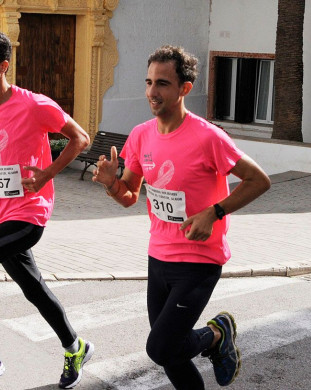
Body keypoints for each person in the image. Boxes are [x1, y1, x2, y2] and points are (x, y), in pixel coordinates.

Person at [93, 45, 271, 389]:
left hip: (199, 260)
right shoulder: (141, 135)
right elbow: (130, 196)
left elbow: (258, 180)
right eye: (148, 82)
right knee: (172, 354)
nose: (151, 92)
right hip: (158, 257)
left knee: (159, 347)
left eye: (162, 83)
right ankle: (214, 341)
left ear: (184, 89)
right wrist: (111, 183)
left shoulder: (208, 137)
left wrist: (214, 211)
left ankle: (216, 334)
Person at [0, 29, 93, 390]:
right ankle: (76, 346)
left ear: (3, 66)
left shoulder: (33, 104)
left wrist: (48, 175)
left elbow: (81, 138)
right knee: (34, 288)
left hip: (29, 214)